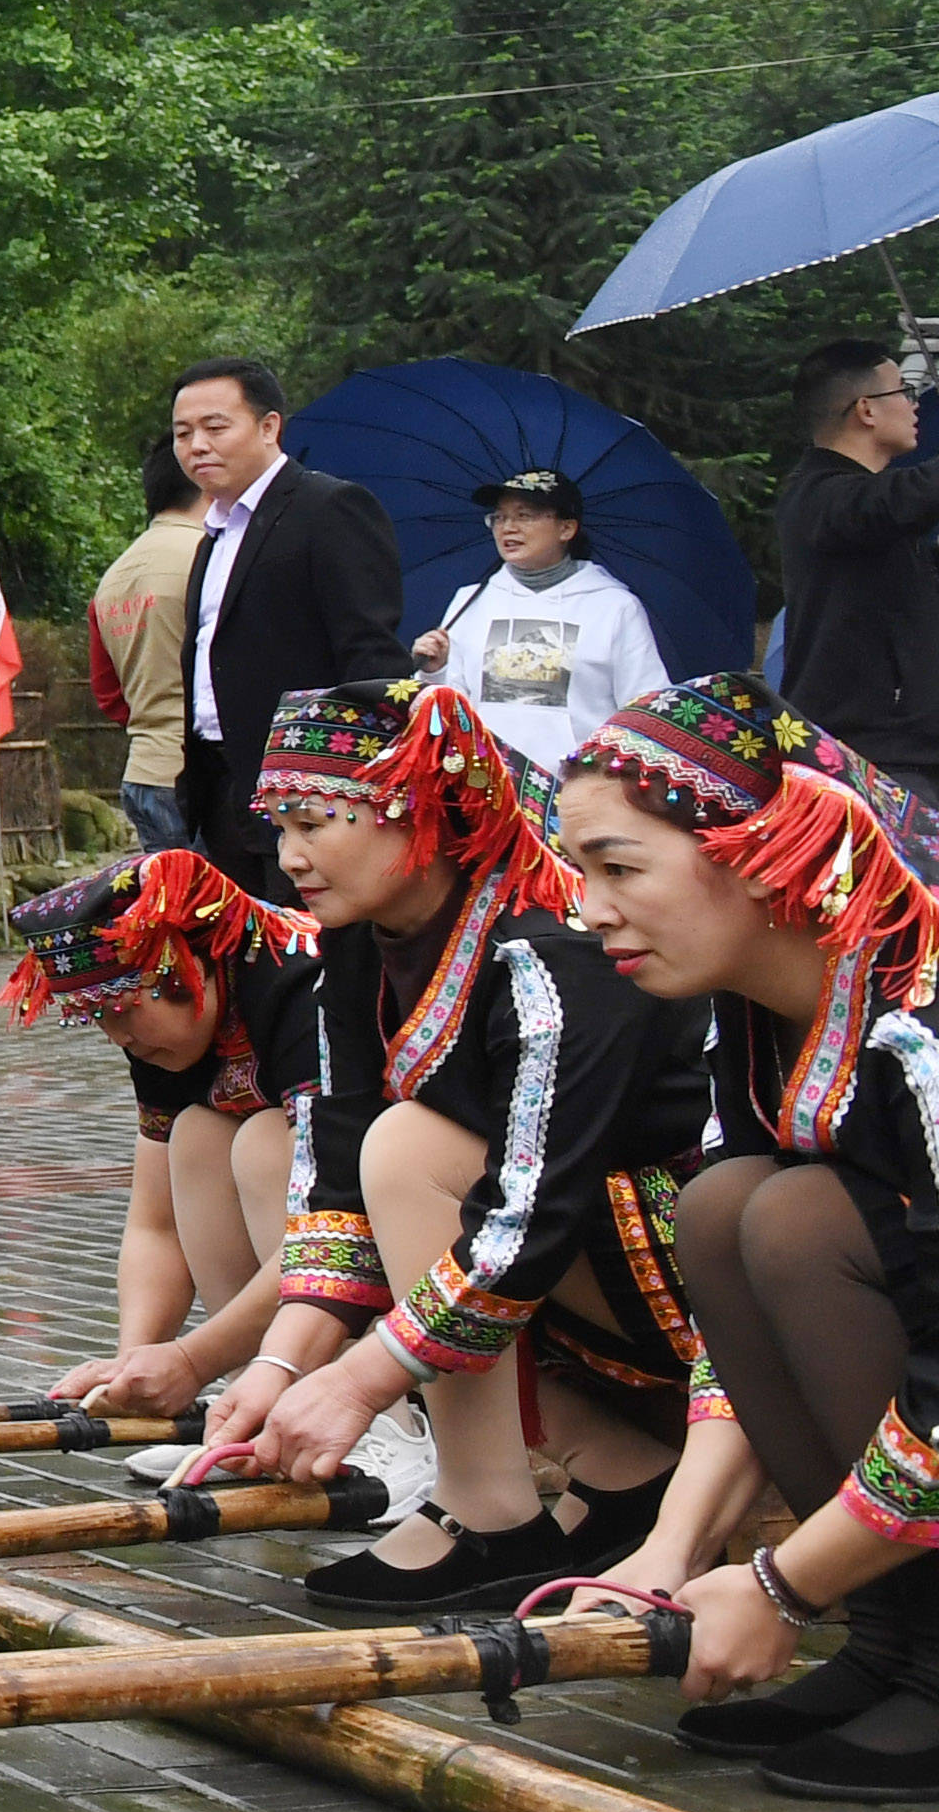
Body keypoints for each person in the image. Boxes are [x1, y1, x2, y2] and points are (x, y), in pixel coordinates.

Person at [215, 682, 711, 1607]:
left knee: (413, 1154)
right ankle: (618, 1469)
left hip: (685, 1277)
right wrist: (277, 1370)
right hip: (567, 1257)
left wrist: (361, 1378)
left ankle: (489, 1509)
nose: (289, 860)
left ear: (422, 808)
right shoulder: (357, 945)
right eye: (278, 828)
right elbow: (335, 1157)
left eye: (316, 821)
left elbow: (536, 1199)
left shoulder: (547, 944)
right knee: (375, 1155)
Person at [569, 675, 939, 1790]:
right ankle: (900, 1643)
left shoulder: (926, 1024)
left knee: (793, 1218)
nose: (587, 911)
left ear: (766, 849)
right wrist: (676, 1550)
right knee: (729, 1206)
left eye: (620, 869)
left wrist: (781, 1583)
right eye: (582, 872)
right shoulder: (757, 1010)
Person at [3, 849, 352, 1489]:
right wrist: (133, 1366)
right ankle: (255, 1402)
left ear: (185, 963)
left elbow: (336, 1220)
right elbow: (155, 1223)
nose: (118, 1036)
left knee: (261, 1149)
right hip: (320, 1258)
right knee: (197, 1134)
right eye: (96, 1016)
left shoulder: (304, 988)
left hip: (389, 1227)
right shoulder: (162, 1034)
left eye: (121, 1006)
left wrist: (190, 1359)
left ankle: (361, 1409)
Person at [166, 357, 407, 907]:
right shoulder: (213, 537)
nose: (197, 445)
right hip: (221, 786)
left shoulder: (329, 508)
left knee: (312, 960)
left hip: (310, 789)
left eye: (215, 427)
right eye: (183, 434)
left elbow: (371, 656)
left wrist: (359, 786)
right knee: (251, 969)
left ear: (269, 426)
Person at [413, 466, 662, 781]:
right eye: (499, 517)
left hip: (579, 792)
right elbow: (449, 709)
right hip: (484, 786)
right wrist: (434, 670)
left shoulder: (613, 607)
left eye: (525, 516)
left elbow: (646, 708)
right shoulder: (471, 601)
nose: (508, 528)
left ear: (566, 528)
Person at [776, 340, 939, 778]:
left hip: (903, 752)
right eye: (903, 391)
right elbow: (897, 500)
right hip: (863, 758)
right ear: (866, 410)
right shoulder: (819, 496)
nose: (914, 405)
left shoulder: (874, 511)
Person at [85, 436, 209, 853]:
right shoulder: (212, 557)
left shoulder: (114, 576)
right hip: (203, 782)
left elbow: (108, 695)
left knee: (173, 913)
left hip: (143, 773)